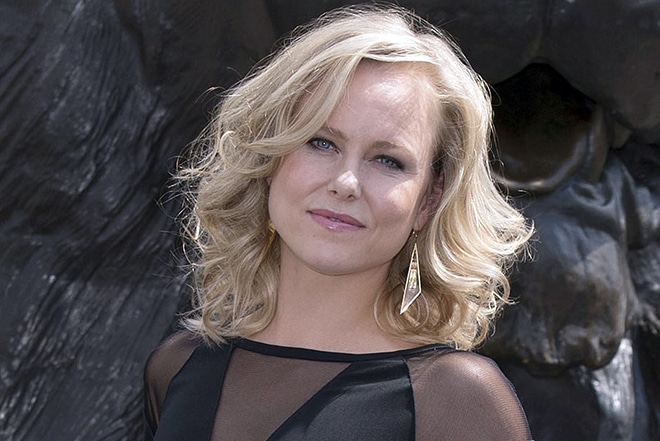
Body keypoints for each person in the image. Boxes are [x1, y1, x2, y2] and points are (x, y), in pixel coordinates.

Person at [144, 4, 534, 440]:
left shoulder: (455, 400)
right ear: (269, 157)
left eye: (388, 160)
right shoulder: (176, 368)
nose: (346, 183)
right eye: (321, 142)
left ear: (429, 201)